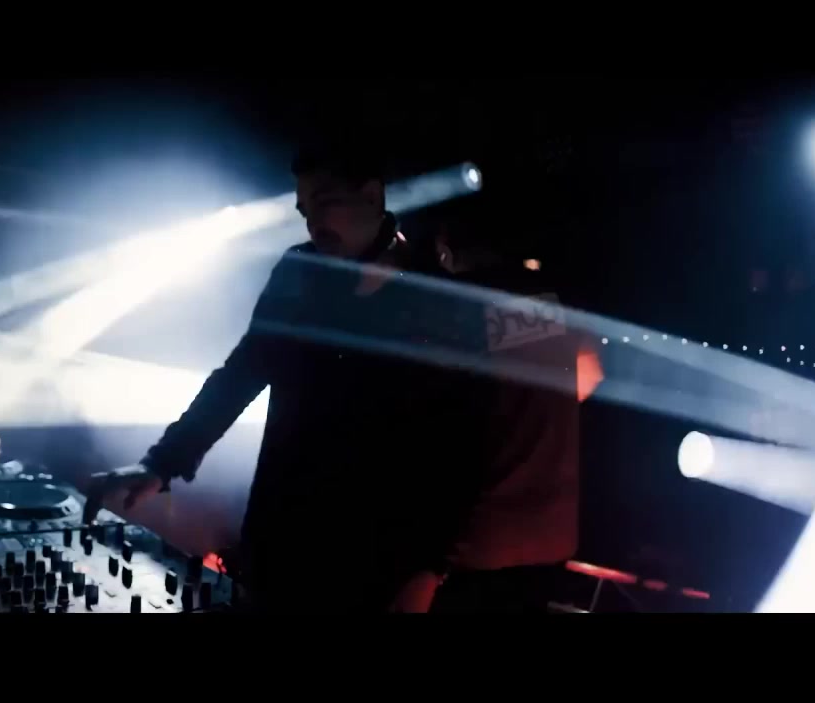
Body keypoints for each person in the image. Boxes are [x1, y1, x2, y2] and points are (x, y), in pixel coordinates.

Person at [85, 140, 488, 613]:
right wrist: (161, 464)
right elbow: (239, 376)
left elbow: (460, 445)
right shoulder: (299, 271)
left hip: (377, 560)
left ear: (372, 196)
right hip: (281, 542)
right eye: (304, 211)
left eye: (325, 203)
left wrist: (428, 568)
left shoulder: (436, 297)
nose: (313, 223)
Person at [423, 192, 600, 613]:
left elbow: (443, 425)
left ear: (446, 249)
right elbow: (591, 375)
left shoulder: (458, 306)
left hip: (478, 543)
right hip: (548, 536)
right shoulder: (552, 300)